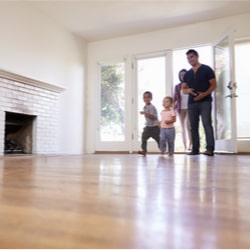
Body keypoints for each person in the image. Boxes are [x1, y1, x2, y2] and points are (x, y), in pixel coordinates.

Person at [182, 49, 216, 156]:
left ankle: (209, 149)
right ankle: (195, 149)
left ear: (197, 57)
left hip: (205, 101)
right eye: (188, 58)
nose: (190, 59)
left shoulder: (207, 69)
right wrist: (188, 90)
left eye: (191, 57)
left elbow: (214, 85)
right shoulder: (187, 74)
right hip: (192, 103)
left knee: (207, 124)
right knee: (193, 126)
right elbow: (183, 89)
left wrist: (203, 94)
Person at [174, 69, 192, 151]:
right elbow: (175, 98)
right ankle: (185, 146)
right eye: (181, 75)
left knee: (188, 126)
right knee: (182, 128)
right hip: (180, 108)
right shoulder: (177, 86)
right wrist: (172, 108)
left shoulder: (191, 85)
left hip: (189, 108)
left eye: (184, 74)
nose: (183, 76)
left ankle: (190, 144)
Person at [138, 91, 160, 156]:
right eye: (144, 97)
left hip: (155, 127)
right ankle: (144, 150)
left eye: (148, 97)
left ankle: (163, 149)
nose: (146, 99)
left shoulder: (152, 107)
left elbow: (153, 117)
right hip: (148, 126)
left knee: (158, 139)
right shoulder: (145, 107)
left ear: (151, 98)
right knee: (143, 137)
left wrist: (145, 113)